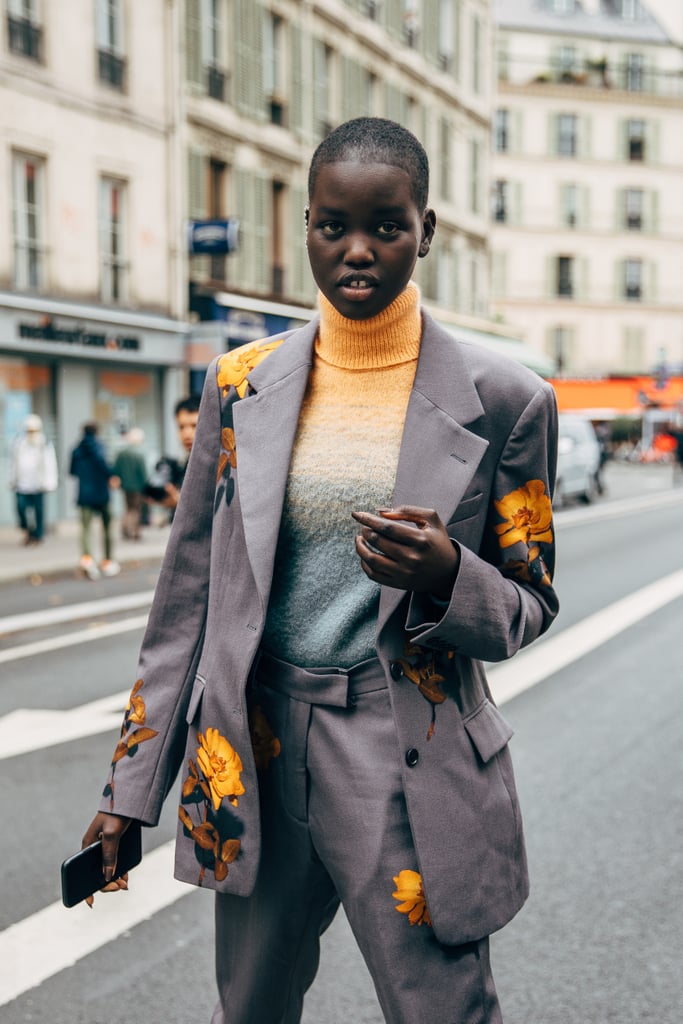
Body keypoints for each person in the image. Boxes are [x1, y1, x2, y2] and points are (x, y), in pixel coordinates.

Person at [81, 118, 559, 1023]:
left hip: (398, 750)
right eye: (332, 224)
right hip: (252, 747)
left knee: (439, 1008)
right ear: (303, 224)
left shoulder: (504, 400)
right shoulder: (238, 383)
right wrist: (127, 792)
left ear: (427, 230)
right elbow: (185, 603)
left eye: (386, 225)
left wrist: (448, 570)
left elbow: (528, 601)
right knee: (250, 1007)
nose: (357, 250)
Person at [69, 422, 120, 579]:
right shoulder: (100, 447)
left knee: (85, 529)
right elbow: (103, 465)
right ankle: (107, 560)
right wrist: (111, 476)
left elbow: (72, 471)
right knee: (107, 527)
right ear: (97, 432)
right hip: (101, 493)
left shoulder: (76, 450)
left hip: (84, 494)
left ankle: (87, 559)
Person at [144, 395, 200, 517]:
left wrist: (180, 503)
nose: (187, 433)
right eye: (181, 427)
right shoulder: (189, 461)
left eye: (194, 426)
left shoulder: (218, 463)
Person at [9, 413, 58, 545]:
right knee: (21, 508)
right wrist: (12, 479)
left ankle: (38, 535)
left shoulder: (44, 443)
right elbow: (14, 463)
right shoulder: (19, 444)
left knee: (39, 511)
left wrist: (50, 482)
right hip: (22, 484)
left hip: (38, 484)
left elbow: (50, 464)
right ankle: (27, 529)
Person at [112, 427, 148, 540]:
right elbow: (142, 472)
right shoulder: (139, 454)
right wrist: (146, 486)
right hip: (138, 486)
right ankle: (135, 532)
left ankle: (125, 529)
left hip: (125, 486)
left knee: (128, 508)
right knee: (136, 509)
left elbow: (116, 469)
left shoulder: (122, 454)